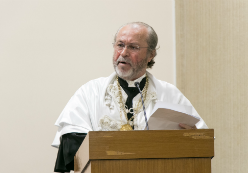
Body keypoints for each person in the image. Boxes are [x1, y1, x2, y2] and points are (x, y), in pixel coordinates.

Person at [51, 22, 208, 172]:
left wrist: (192, 139)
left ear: (151, 54)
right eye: (120, 45)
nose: (124, 53)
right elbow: (72, 144)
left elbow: (202, 142)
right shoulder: (89, 92)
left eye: (133, 47)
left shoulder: (170, 95)